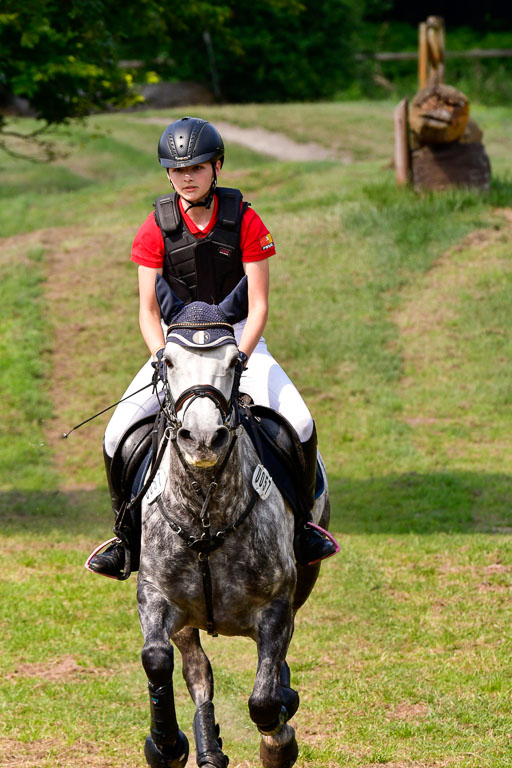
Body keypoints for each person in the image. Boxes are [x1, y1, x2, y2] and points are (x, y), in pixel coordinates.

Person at [88, 116, 336, 579]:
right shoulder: (154, 225)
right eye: (178, 169)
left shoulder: (244, 219)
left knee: (300, 422)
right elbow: (147, 309)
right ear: (167, 173)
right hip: (175, 347)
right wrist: (161, 356)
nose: (187, 176)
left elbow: (259, 303)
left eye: (197, 167)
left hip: (237, 338)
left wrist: (241, 354)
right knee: (115, 432)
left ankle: (303, 529)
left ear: (216, 166)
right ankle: (126, 540)